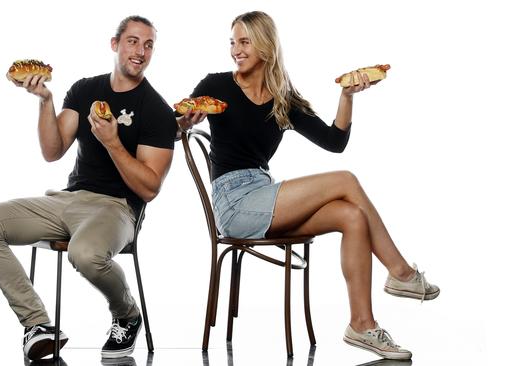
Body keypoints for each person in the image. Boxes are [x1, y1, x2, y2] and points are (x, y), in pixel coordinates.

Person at [177, 11, 439, 361]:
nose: (236, 50)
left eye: (244, 42)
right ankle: (401, 273)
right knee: (345, 180)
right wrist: (183, 121)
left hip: (264, 193)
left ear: (266, 46)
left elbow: (334, 142)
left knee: (351, 216)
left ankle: (362, 324)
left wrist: (347, 96)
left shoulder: (283, 97)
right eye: (233, 42)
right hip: (234, 202)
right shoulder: (216, 86)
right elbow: (172, 125)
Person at [0, 15, 176, 360]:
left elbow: (150, 188)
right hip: (68, 199)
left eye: (148, 44)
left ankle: (127, 314)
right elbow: (53, 151)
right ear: (115, 44)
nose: (140, 51)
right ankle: (37, 323)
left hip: (117, 207)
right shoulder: (85, 89)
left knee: (84, 253)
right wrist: (45, 100)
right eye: (133, 41)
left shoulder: (157, 110)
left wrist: (112, 143)